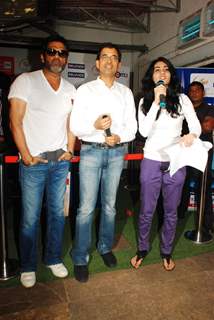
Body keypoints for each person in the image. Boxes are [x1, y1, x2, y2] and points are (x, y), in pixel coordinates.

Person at [9, 35, 76, 288]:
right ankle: (28, 265)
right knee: (30, 217)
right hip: (33, 163)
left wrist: (70, 149)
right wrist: (25, 155)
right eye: (52, 51)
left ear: (66, 58)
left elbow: (71, 123)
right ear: (43, 56)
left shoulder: (70, 88)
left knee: (58, 215)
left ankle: (52, 258)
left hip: (60, 162)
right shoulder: (25, 81)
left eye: (62, 53)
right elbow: (15, 121)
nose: (57, 56)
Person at [70, 42, 137, 282]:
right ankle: (80, 257)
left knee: (110, 206)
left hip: (117, 152)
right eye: (104, 57)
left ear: (119, 64)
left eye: (114, 57)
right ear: (97, 63)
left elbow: (132, 128)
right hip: (90, 152)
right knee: (86, 208)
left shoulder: (125, 92)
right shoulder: (85, 90)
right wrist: (95, 127)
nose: (109, 61)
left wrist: (120, 136)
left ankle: (105, 247)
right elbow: (76, 127)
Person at [130, 57, 201, 271]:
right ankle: (142, 248)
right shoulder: (144, 101)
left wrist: (192, 135)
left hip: (176, 161)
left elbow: (196, 125)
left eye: (166, 69)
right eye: (157, 70)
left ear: (171, 75)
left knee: (171, 211)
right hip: (151, 159)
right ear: (151, 76)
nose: (162, 73)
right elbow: (143, 131)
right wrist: (155, 103)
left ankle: (166, 251)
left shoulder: (182, 99)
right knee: (146, 210)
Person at [178, 81, 214, 232]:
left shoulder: (210, 108)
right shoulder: (182, 108)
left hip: (202, 152)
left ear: (203, 93)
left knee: (203, 185)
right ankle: (179, 216)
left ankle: (206, 222)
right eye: (191, 91)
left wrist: (191, 126)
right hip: (184, 150)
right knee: (181, 184)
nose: (194, 93)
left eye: (197, 90)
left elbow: (207, 127)